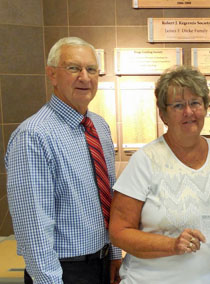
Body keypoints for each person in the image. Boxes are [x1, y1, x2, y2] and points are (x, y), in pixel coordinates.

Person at [109, 65, 210, 284]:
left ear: (206, 108)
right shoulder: (146, 160)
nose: (189, 112)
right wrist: (171, 244)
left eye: (195, 103)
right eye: (179, 105)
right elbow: (119, 232)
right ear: (163, 114)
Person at [5, 37, 122, 283]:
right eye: (73, 68)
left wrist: (114, 254)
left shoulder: (99, 126)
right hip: (63, 271)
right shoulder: (33, 136)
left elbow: (109, 197)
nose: (85, 77)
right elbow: (33, 227)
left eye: (91, 69)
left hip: (101, 264)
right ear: (52, 74)